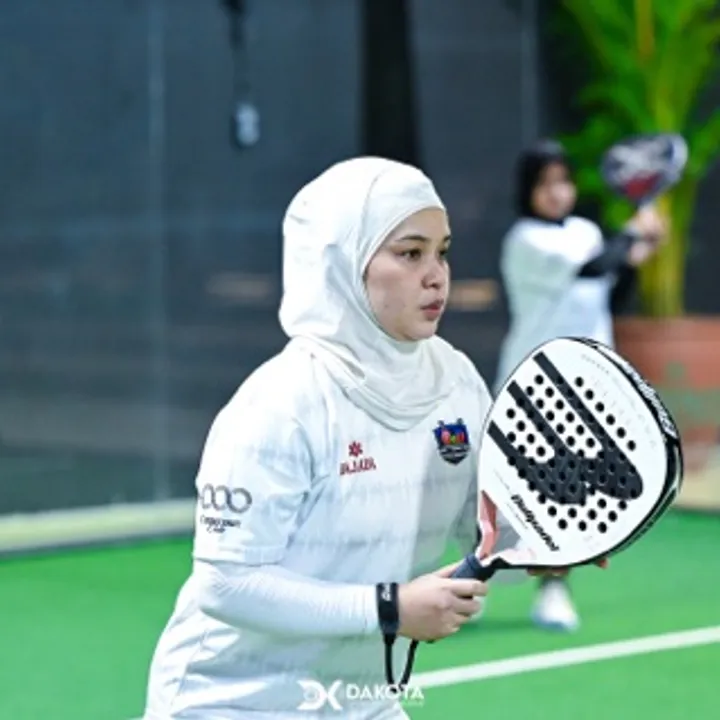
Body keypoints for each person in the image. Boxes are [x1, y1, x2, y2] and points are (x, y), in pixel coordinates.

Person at [141, 156, 526, 720]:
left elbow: (485, 529)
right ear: (343, 260)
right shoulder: (280, 403)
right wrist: (390, 609)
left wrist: (548, 542)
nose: (436, 275)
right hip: (231, 702)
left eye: (442, 252)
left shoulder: (457, 382)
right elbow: (226, 584)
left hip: (360, 700)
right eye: (410, 253)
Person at [494, 139, 666, 632]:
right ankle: (482, 574)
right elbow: (591, 268)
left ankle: (553, 590)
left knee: (569, 495)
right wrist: (631, 234)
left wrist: (637, 255)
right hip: (534, 383)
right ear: (527, 191)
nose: (558, 192)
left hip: (588, 383)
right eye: (545, 184)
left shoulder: (587, 232)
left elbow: (609, 291)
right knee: (512, 498)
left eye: (564, 182)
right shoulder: (524, 240)